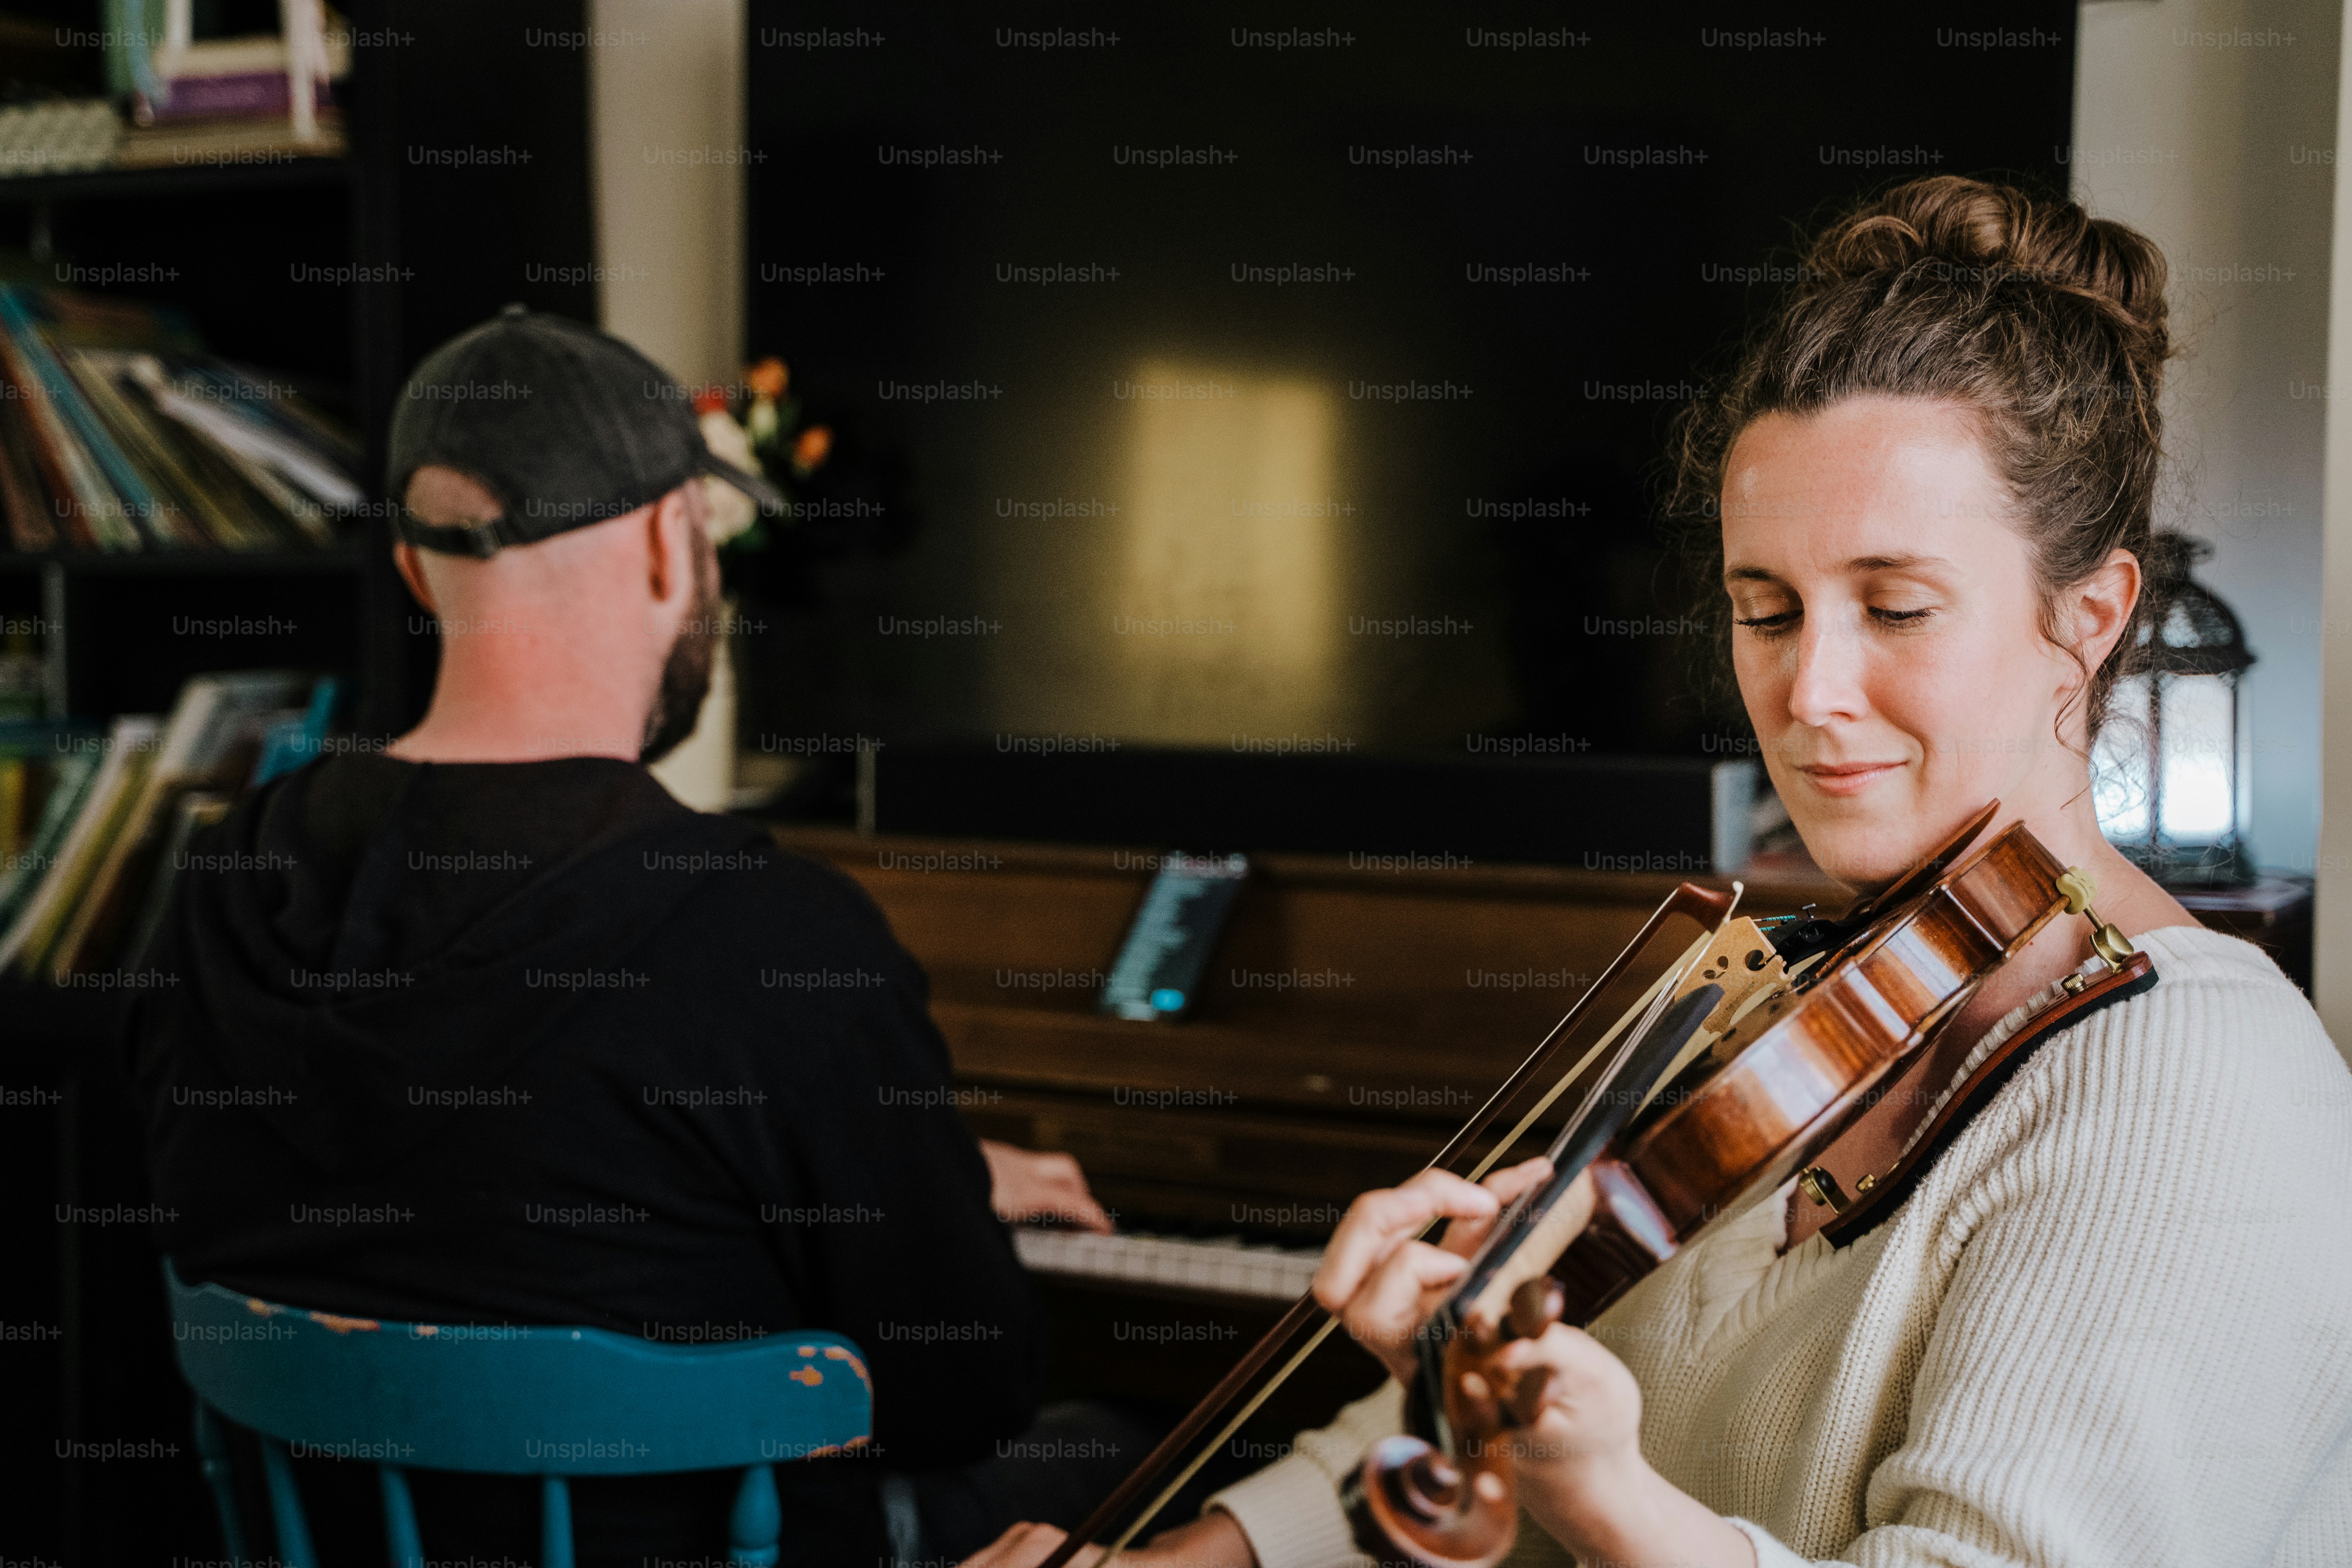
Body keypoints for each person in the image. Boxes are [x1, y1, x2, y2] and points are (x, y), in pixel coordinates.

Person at [969, 177, 2352, 1568]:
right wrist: (1153, 1566)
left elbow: (1605, 1483)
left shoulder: (2194, 1083)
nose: (1809, 690)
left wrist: (1599, 1497)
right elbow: (1443, 1439)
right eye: (1765, 610)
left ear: (2091, 617)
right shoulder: (1787, 1016)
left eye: (1896, 608)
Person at [130, 305, 1120, 1566]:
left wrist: (907, 1163)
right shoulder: (774, 937)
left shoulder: (217, 881)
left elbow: (488, 1182)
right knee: (1134, 1441)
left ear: (416, 566)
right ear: (671, 541)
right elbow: (963, 1399)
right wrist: (901, 1185)